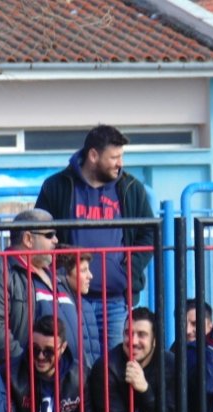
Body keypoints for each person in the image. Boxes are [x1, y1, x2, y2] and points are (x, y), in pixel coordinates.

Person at [35, 124, 155, 352]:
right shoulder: (56, 186)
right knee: (75, 364)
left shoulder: (132, 188)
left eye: (121, 156)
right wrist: (59, 270)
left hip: (115, 300)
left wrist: (131, 267)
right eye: (114, 157)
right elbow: (40, 232)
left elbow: (149, 232)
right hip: (69, 298)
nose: (120, 163)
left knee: (114, 368)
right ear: (93, 155)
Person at [0, 209, 58, 369]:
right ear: (28, 239)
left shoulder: (56, 277)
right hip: (24, 378)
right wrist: (30, 369)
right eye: (49, 235)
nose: (56, 240)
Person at [55, 250, 101, 372]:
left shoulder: (86, 306)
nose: (90, 276)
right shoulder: (58, 305)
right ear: (64, 274)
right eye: (83, 270)